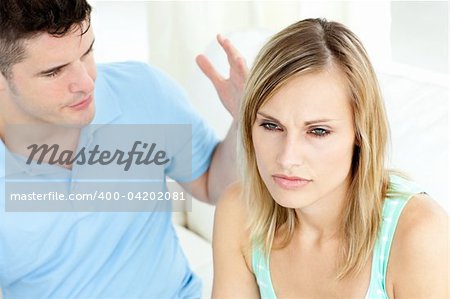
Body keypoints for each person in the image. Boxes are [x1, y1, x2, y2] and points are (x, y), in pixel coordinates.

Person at [0, 0, 247, 298]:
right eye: (54, 71)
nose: (86, 82)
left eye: (87, 51)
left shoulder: (143, 91)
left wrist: (242, 122)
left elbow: (212, 184)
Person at [213, 18, 449, 298]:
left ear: (360, 134)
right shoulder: (240, 212)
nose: (287, 158)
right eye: (271, 126)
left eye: (318, 131)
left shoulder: (417, 234)